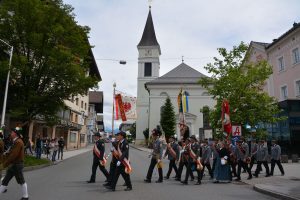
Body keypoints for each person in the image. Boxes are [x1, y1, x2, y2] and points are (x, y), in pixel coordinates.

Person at [0, 129, 29, 200]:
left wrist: (4, 164)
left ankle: (26, 196)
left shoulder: (18, 142)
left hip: (17, 165)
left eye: (12, 132)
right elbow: (11, 152)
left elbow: (13, 155)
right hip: (13, 165)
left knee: (21, 181)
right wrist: (6, 154)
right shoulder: (15, 141)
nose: (11, 133)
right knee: (5, 180)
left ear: (15, 134)